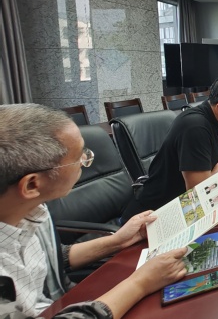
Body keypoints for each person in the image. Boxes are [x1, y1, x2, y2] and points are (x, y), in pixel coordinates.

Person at [0, 104, 187, 319]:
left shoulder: (32, 209)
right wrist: (140, 283)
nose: (86, 160)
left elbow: (52, 257)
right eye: (78, 157)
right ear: (32, 185)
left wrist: (117, 241)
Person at [122, 71, 218, 222]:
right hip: (155, 217)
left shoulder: (215, 118)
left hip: (179, 208)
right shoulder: (195, 128)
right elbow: (198, 193)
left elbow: (215, 148)